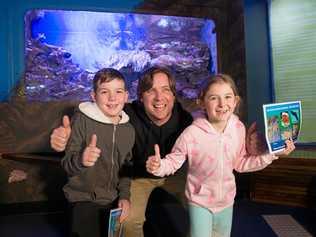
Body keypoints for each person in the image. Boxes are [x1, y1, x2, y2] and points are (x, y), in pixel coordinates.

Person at [50, 66, 267, 237]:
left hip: (179, 175)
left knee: (204, 209)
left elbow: (218, 129)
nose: (159, 97)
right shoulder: (125, 115)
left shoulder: (188, 121)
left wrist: (249, 146)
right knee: (128, 220)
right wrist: (63, 138)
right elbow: (98, 111)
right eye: (151, 90)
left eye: (165, 90)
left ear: (174, 96)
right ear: (139, 96)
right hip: (138, 176)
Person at [146, 74, 296, 237]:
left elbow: (241, 163)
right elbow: (174, 161)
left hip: (226, 201)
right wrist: (159, 166)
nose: (222, 104)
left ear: (235, 101)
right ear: (202, 102)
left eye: (227, 97)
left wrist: (270, 154)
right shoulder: (191, 134)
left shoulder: (238, 129)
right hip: (199, 202)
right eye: (213, 98)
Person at [61, 68, 135, 237]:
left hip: (112, 200)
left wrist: (124, 196)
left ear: (126, 96)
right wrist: (81, 160)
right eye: (104, 92)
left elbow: (127, 167)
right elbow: (67, 164)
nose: (112, 98)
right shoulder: (82, 120)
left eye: (118, 91)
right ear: (94, 96)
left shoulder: (129, 130)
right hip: (82, 198)